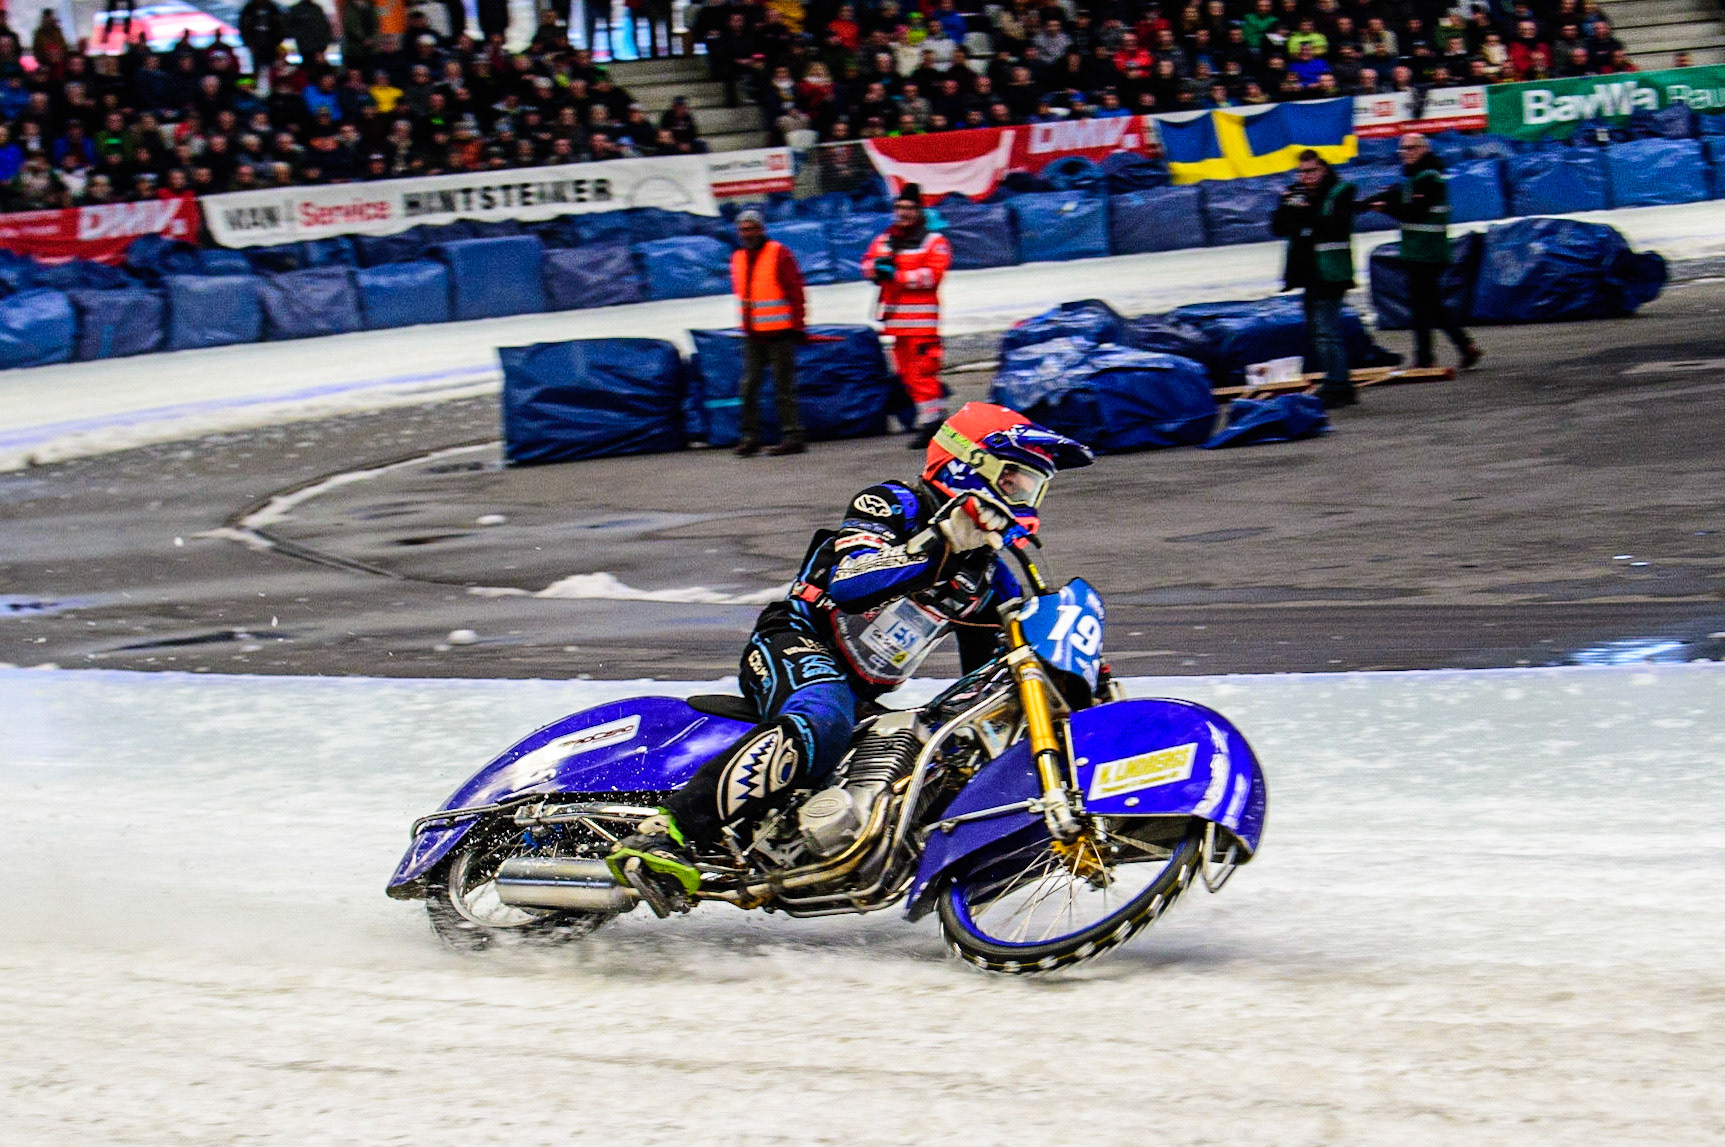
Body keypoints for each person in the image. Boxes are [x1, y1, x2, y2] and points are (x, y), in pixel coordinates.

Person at [606, 402, 1094, 908]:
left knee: (931, 759)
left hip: (864, 691)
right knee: (823, 715)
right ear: (969, 464)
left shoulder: (990, 574)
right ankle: (668, 833)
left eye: (1033, 487)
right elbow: (852, 582)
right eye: (1015, 480)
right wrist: (939, 541)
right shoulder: (893, 504)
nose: (1023, 497)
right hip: (797, 640)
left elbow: (989, 669)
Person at [1365, 132, 1481, 371]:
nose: (1405, 154)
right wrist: (1368, 204)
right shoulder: (1415, 179)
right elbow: (1398, 200)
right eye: (1402, 150)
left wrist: (1386, 208)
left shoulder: (1429, 178)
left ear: (1423, 149)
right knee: (1430, 304)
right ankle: (1462, 347)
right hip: (1419, 251)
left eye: (1410, 149)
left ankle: (1426, 356)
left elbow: (1414, 212)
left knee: (1422, 305)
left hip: (1428, 251)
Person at [863, 183, 954, 446]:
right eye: (899, 208)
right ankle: (930, 421)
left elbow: (931, 276)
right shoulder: (885, 239)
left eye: (909, 208)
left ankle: (933, 424)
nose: (903, 213)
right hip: (897, 324)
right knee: (909, 375)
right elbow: (867, 263)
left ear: (919, 210)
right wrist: (875, 270)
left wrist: (897, 275)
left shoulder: (934, 241)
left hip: (921, 324)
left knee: (923, 374)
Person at [1271, 150, 1358, 408]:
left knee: (1326, 332)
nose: (1305, 177)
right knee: (1319, 332)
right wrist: (1290, 206)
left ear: (1324, 170)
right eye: (1301, 172)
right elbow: (1278, 226)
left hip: (1331, 273)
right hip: (1309, 274)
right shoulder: (1298, 194)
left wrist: (1303, 212)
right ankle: (1339, 382)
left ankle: (1338, 384)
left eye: (1310, 171)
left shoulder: (1340, 191)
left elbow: (1334, 225)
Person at [730, 209, 809, 457]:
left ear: (762, 229)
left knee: (783, 387)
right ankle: (750, 436)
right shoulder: (739, 258)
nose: (748, 233)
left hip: (780, 332)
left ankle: (792, 435)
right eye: (743, 229)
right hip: (753, 334)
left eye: (752, 228)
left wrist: (798, 325)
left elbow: (795, 291)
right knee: (749, 386)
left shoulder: (779, 253)